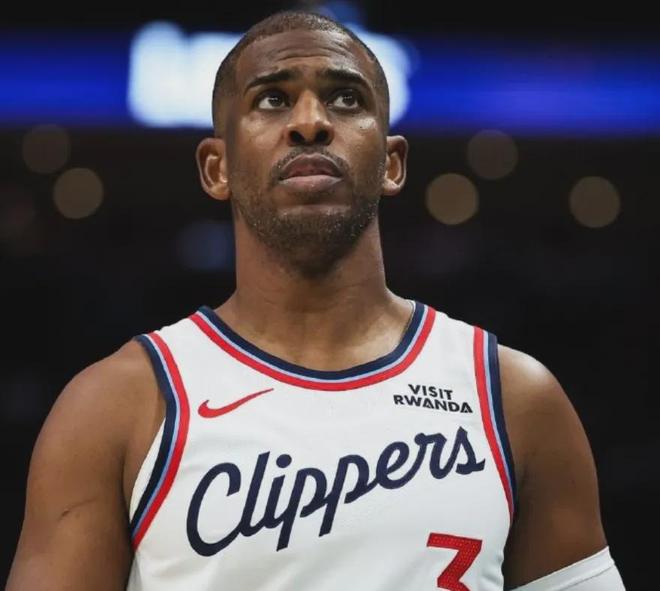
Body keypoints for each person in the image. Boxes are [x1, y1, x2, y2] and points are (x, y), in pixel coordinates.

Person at [6, 10, 625, 591]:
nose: (310, 121)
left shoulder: (514, 397)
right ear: (217, 167)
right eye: (272, 99)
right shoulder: (113, 407)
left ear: (392, 162)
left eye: (346, 98)